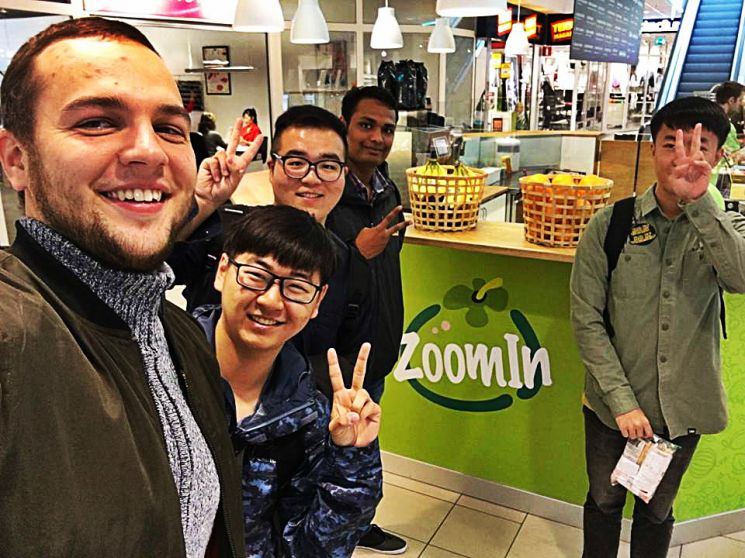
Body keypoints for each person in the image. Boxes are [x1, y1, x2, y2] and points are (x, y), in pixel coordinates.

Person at [0, 17, 244, 557]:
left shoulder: (178, 332)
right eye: (97, 123)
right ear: (17, 159)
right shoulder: (13, 331)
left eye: (170, 128)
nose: (149, 151)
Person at [570, 96, 745, 558]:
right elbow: (587, 320)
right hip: (612, 407)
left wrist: (700, 203)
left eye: (700, 146)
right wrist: (623, 403)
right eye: (672, 144)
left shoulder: (726, 225)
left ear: (716, 156)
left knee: (656, 511)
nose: (684, 157)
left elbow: (741, 279)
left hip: (683, 411)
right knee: (604, 501)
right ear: (652, 150)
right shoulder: (609, 225)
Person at [193, 205, 382, 557]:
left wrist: (352, 459)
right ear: (222, 271)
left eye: (296, 286)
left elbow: (311, 549)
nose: (271, 300)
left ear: (317, 302)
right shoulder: (163, 369)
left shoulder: (307, 415)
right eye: (256, 276)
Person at [328, 85, 412, 554]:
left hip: (373, 350)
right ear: (345, 126)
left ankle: (358, 524)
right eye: (367, 125)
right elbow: (307, 277)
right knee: (331, 453)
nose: (378, 138)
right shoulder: (323, 192)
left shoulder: (387, 190)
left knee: (361, 446)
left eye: (387, 129)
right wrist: (354, 255)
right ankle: (335, 534)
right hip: (332, 359)